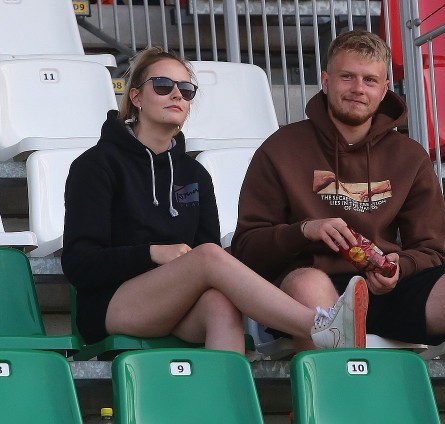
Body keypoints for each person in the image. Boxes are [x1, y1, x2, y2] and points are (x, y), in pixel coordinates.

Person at [61, 46, 368, 354]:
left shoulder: (195, 173)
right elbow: (79, 263)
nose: (177, 95)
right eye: (163, 85)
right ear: (136, 97)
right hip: (111, 304)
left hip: (177, 301)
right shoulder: (96, 165)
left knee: (221, 302)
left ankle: (228, 386)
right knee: (208, 255)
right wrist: (152, 253)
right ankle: (316, 325)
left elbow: (205, 255)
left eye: (186, 90)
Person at [231, 30, 445, 352]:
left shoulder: (409, 156)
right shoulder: (281, 148)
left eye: (370, 80)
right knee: (309, 284)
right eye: (347, 77)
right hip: (312, 285)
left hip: (389, 289)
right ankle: (337, 385)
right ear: (325, 81)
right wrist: (304, 231)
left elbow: (430, 249)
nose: (358, 88)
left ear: (384, 90)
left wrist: (399, 266)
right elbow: (246, 248)